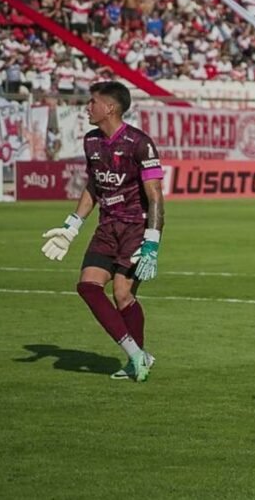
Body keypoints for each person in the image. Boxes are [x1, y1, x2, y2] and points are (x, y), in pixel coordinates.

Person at [40, 81, 164, 382]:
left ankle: (137, 358)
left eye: (92, 102)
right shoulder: (92, 141)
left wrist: (152, 244)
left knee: (122, 295)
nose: (87, 107)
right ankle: (137, 355)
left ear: (109, 107)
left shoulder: (140, 143)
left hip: (136, 227)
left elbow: (156, 196)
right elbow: (94, 185)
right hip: (107, 226)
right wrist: (72, 226)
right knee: (87, 287)